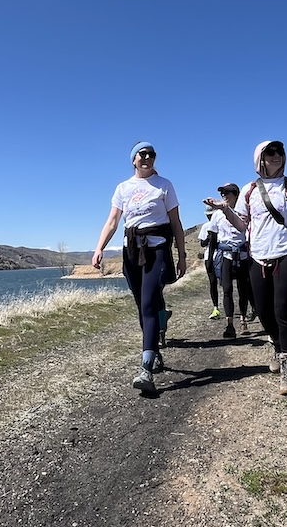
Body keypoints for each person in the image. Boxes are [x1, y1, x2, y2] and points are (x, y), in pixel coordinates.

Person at [204, 140, 287, 396]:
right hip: (257, 258)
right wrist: (225, 209)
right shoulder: (249, 190)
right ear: (259, 159)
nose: (276, 155)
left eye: (279, 151)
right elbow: (242, 225)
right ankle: (276, 344)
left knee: (283, 310)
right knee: (263, 312)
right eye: (269, 152)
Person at [92, 141, 187, 394]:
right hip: (130, 250)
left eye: (151, 154)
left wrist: (182, 255)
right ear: (133, 159)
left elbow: (176, 223)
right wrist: (99, 247)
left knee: (148, 303)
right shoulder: (123, 188)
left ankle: (145, 368)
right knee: (141, 304)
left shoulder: (164, 185)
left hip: (156, 249)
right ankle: (153, 350)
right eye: (142, 154)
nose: (147, 158)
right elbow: (113, 221)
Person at [211, 183, 254, 339]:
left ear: (236, 194)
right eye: (222, 193)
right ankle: (230, 324)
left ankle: (243, 321)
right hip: (226, 256)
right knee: (227, 289)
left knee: (244, 289)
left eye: (227, 192)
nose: (224, 195)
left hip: (242, 256)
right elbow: (213, 238)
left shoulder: (243, 212)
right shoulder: (216, 215)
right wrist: (210, 259)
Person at [197, 204, 221, 320]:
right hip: (208, 257)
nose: (209, 217)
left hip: (221, 255)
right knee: (212, 283)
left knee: (226, 283)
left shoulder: (221, 223)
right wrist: (209, 238)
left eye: (211, 215)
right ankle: (215, 307)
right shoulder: (205, 226)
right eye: (208, 215)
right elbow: (202, 243)